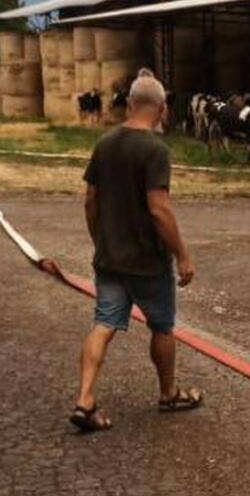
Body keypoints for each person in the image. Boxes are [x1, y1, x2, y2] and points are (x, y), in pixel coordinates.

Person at [70, 69, 201, 432]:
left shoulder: (105, 143)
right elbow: (159, 209)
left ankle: (85, 399)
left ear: (129, 104)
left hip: (110, 258)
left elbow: (90, 200)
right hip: (147, 262)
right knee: (162, 326)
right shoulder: (155, 149)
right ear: (161, 108)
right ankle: (169, 393)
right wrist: (183, 255)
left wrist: (100, 240)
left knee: (103, 324)